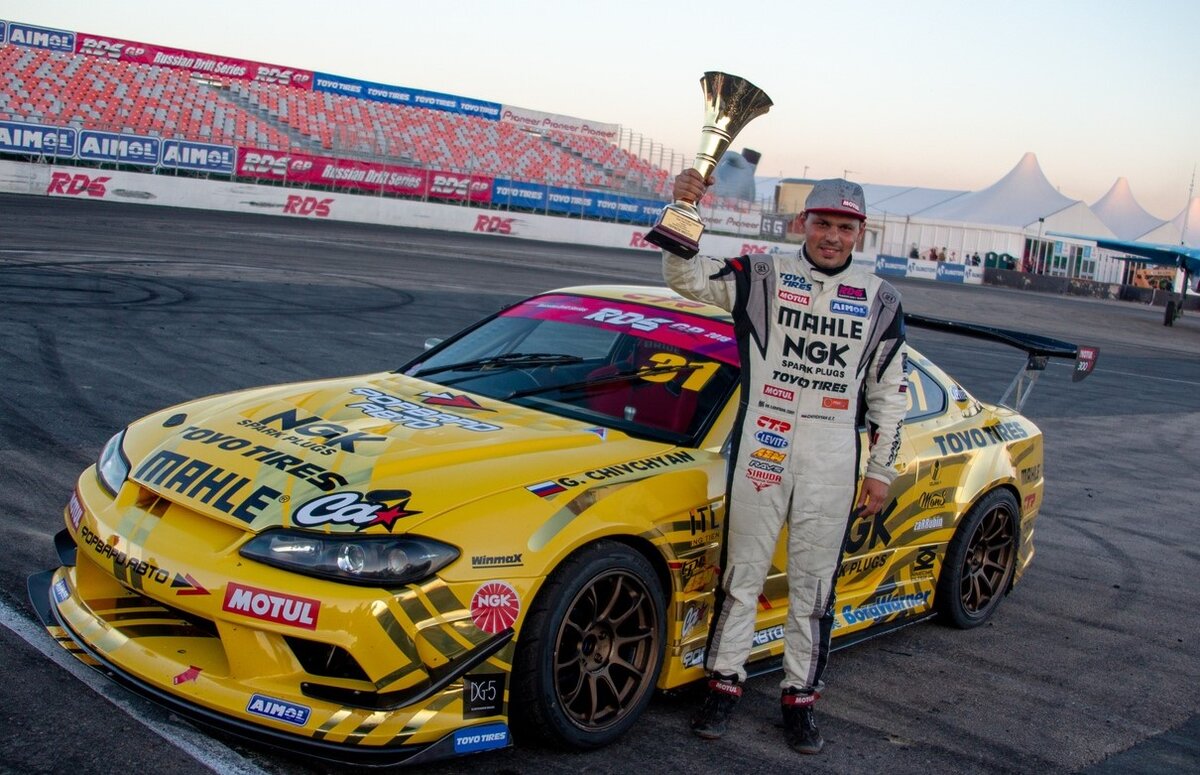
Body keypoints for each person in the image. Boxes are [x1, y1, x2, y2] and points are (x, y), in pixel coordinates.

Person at [661, 171, 908, 755]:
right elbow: (684, 277)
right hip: (763, 441)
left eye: (844, 227)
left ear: (860, 233)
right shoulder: (761, 275)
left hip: (833, 451)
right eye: (822, 223)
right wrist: (682, 209)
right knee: (741, 575)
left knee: (813, 586)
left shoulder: (882, 299)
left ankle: (801, 698)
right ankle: (723, 685)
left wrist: (880, 471)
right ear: (803, 223)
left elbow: (888, 395)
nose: (832, 236)